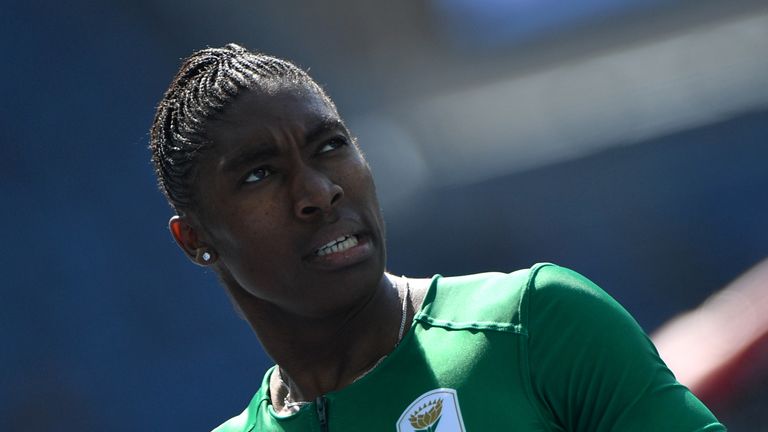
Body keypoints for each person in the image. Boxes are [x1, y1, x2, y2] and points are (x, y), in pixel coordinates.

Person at [149, 43, 725, 431]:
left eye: (330, 145)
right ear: (195, 238)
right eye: (260, 173)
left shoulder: (534, 325)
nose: (318, 191)